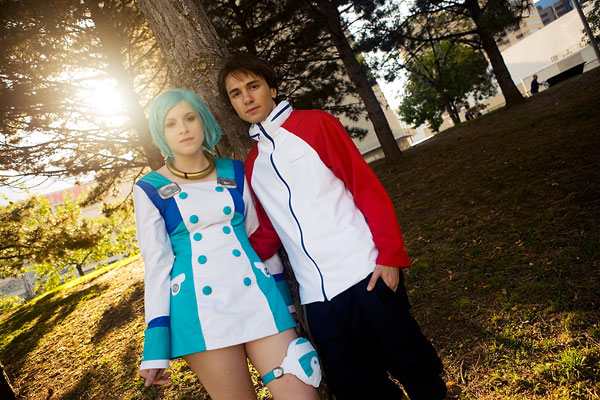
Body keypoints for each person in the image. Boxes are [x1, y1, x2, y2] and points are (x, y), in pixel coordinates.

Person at [218, 54, 446, 400]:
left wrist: (390, 255)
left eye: (253, 86)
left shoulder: (316, 124)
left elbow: (364, 186)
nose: (247, 98)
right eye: (236, 93)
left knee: (417, 371)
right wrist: (225, 260)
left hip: (367, 274)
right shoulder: (252, 164)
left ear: (272, 88)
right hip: (318, 300)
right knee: (358, 391)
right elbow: (269, 231)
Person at [133, 88, 320, 400]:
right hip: (200, 314)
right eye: (170, 123)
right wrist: (155, 347)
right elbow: (157, 267)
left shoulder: (234, 170)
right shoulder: (150, 188)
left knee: (303, 393)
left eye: (190, 118)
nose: (183, 129)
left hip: (259, 299)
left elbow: (258, 240)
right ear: (160, 133)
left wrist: (286, 303)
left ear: (203, 121)